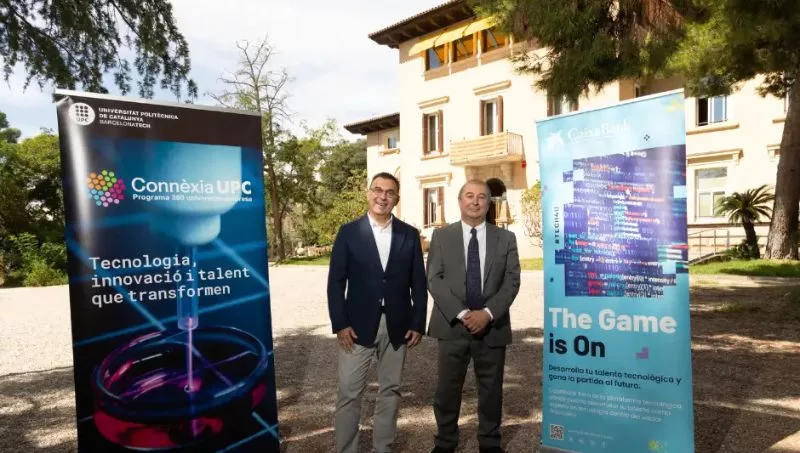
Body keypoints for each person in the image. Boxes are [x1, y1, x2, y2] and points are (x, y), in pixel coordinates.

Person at [327, 172, 428, 453]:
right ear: (368, 193)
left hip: (398, 325)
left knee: (390, 391)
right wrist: (340, 323)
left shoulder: (409, 234)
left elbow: (419, 284)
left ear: (397, 198)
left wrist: (418, 322)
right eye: (378, 190)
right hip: (355, 327)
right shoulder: (348, 233)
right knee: (349, 392)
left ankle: (383, 448)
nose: (383, 196)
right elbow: (336, 283)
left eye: (390, 192)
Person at [426, 180, 521, 453]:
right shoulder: (441, 237)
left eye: (482, 197)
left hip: (492, 326)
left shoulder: (506, 238)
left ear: (489, 204)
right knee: (447, 389)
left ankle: (490, 442)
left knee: (491, 389)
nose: (475, 201)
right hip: (452, 325)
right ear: (460, 201)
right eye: (469, 195)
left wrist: (487, 314)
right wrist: (464, 313)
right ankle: (445, 442)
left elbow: (512, 281)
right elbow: (434, 278)